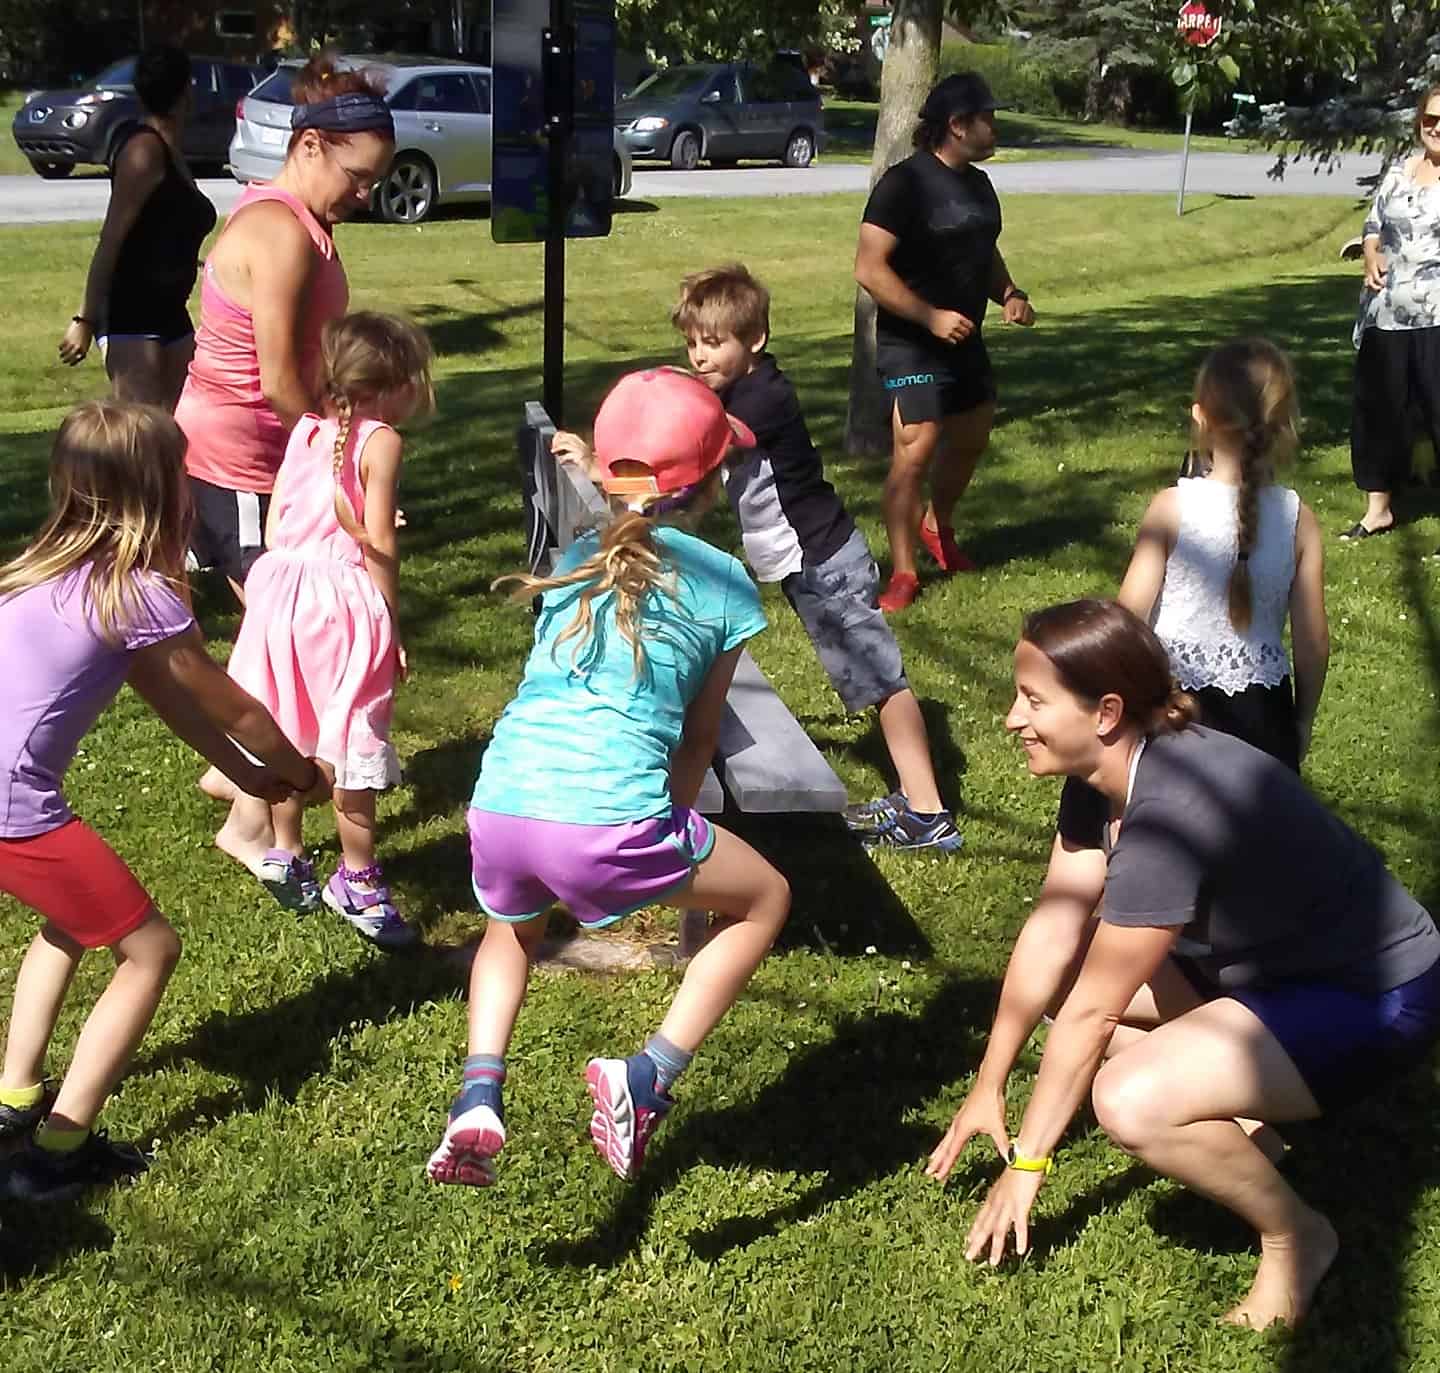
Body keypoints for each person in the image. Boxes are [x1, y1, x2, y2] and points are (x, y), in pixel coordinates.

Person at [925, 599, 1440, 1330]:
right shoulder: (1101, 775)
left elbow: (1095, 1012)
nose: (1012, 719)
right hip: (1269, 971)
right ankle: (1247, 1119)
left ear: (1106, 712)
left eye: (1033, 700)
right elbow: (1054, 928)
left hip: (1375, 993)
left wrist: (1028, 1164)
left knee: (1129, 1098)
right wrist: (989, 1083)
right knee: (1071, 969)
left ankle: (1297, 1235)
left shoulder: (1169, 813)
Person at [426, 368, 790, 1189]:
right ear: (710, 483)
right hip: (607, 820)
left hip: (502, 800)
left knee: (510, 930)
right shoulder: (726, 585)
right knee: (766, 896)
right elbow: (700, 737)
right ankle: (648, 1076)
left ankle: (479, 1093)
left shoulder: (579, 556)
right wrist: (671, 822)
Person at [0, 401, 323, 1203]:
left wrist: (251, 778)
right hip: (14, 810)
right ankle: (57, 1151)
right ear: (159, 491)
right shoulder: (137, 593)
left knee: (75, 919)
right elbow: (235, 708)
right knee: (150, 950)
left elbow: (170, 699)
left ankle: (14, 1093)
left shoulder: (46, 572)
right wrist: (298, 769)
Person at [664, 261, 961, 851]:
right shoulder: (737, 391)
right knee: (873, 679)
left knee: (882, 681)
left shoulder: (764, 397)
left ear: (755, 339)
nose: (699, 357)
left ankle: (928, 814)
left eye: (714, 343)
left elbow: (708, 445)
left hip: (825, 562)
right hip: (809, 565)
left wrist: (626, 445)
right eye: (692, 343)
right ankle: (914, 798)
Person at [211, 313, 433, 949]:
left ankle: (286, 849)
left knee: (289, 725)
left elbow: (280, 520)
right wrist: (389, 625)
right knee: (355, 737)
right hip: (340, 604)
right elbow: (379, 545)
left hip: (280, 593)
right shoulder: (382, 440)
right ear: (392, 386)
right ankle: (357, 879)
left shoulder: (307, 430)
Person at [173, 52, 394, 601]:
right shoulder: (280, 232)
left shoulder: (301, 220)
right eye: (357, 177)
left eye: (373, 181)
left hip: (271, 456)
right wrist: (340, 467)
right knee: (288, 618)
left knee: (296, 624)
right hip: (238, 465)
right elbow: (278, 381)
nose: (365, 196)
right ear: (311, 145)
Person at [853, 71, 1035, 612]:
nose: (995, 128)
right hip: (912, 340)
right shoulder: (903, 185)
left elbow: (983, 250)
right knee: (916, 449)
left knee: (974, 434)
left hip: (965, 338)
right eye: (988, 119)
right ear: (957, 125)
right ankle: (904, 572)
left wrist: (1009, 293)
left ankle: (938, 526)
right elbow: (869, 268)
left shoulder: (979, 184)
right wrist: (929, 317)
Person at [1117, 339, 1328, 770]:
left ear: (1200, 417)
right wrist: (1302, 721)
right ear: (1282, 423)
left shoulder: (1172, 508)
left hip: (1173, 708)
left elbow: (1127, 619)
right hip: (1265, 718)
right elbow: (1313, 643)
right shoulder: (1297, 519)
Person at [56, 44, 217, 410]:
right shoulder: (143, 151)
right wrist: (85, 320)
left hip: (171, 310)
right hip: (130, 312)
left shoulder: (171, 151)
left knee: (178, 427)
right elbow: (111, 239)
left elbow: (159, 232)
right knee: (140, 427)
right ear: (186, 92)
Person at [1344, 82, 1440, 539]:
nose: (1436, 128)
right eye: (1430, 119)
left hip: (1437, 315)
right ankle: (1378, 508)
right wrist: (1369, 251)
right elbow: (1374, 222)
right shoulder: (1400, 171)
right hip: (1386, 312)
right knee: (1378, 410)